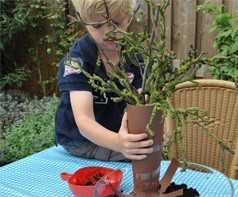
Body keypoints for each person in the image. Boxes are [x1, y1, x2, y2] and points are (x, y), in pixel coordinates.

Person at [55, 0, 167, 161]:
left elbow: (143, 98)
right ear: (84, 22)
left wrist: (157, 126)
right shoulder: (77, 61)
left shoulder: (133, 55)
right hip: (80, 139)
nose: (108, 32)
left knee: (147, 147)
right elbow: (84, 121)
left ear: (128, 17)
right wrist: (118, 143)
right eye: (97, 25)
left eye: (116, 22)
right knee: (139, 156)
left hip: (114, 131)